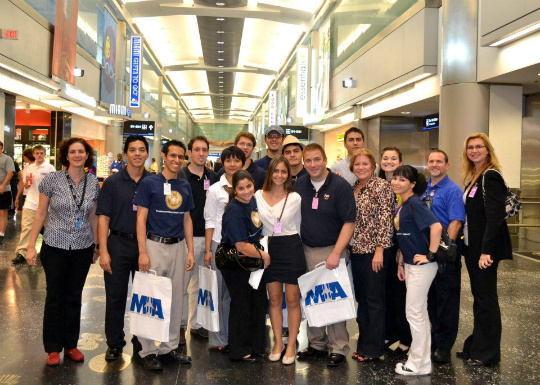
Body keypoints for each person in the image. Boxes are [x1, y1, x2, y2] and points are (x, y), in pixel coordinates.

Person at [25, 138, 101, 367]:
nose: (77, 155)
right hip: (55, 246)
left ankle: (71, 344)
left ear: (87, 155)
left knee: (74, 296)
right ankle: (52, 348)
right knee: (55, 296)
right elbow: (40, 214)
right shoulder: (52, 180)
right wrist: (31, 246)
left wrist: (96, 245)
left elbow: (94, 216)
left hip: (82, 247)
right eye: (73, 152)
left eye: (81, 151)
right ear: (65, 155)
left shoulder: (93, 182)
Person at [134, 139, 195, 371]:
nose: (177, 160)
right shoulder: (149, 183)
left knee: (176, 298)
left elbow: (187, 219)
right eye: (173, 156)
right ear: (163, 156)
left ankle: (168, 348)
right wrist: (142, 251)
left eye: (181, 157)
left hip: (178, 246)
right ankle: (148, 350)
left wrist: (189, 250)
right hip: (154, 245)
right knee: (150, 299)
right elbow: (140, 218)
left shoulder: (185, 185)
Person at [294, 143, 355, 367]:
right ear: (303, 163)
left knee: (333, 298)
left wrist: (336, 253)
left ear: (325, 159)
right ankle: (316, 344)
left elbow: (349, 223)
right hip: (306, 249)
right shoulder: (300, 185)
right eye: (308, 160)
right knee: (312, 298)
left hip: (332, 250)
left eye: (316, 159)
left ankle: (338, 347)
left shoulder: (340, 186)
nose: (312, 164)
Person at [457, 133, 512, 366]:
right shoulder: (473, 176)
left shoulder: (490, 176)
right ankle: (476, 346)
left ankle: (486, 353)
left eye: (479, 146)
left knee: (487, 299)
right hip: (473, 248)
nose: (474, 150)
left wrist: (486, 251)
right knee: (480, 298)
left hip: (484, 250)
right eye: (470, 147)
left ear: (488, 150)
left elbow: (495, 217)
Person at [96, 135, 150, 361]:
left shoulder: (154, 181)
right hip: (118, 244)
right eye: (133, 150)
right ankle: (115, 343)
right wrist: (104, 250)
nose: (137, 153)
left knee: (143, 298)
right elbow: (103, 218)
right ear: (125, 153)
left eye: (141, 150)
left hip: (145, 247)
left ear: (147, 154)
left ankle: (142, 340)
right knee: (115, 296)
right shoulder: (112, 182)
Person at [391, 165, 442, 376]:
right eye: (395, 178)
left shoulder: (415, 203)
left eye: (402, 180)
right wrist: (402, 262)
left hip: (422, 266)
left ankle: (416, 362)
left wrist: (430, 254)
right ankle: (422, 362)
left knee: (414, 313)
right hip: (411, 264)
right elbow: (407, 235)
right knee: (418, 312)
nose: (396, 182)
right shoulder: (403, 204)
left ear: (412, 184)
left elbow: (436, 227)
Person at [255, 156, 305, 365]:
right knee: (274, 300)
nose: (279, 175)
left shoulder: (295, 197)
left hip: (291, 247)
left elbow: (299, 225)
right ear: (269, 173)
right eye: (276, 171)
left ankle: (291, 344)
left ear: (289, 174)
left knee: (292, 300)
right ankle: (278, 343)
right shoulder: (257, 195)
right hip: (269, 248)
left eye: (284, 172)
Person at [219, 170, 271, 362]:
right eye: (240, 188)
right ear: (235, 190)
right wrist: (264, 255)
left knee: (256, 302)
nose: (246, 191)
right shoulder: (234, 210)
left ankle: (257, 345)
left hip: (251, 261)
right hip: (236, 264)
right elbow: (240, 245)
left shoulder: (252, 203)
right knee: (241, 304)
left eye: (248, 186)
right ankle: (239, 350)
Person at [349, 149, 394, 362]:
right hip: (356, 251)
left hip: (374, 253)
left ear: (373, 165)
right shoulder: (354, 187)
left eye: (365, 164)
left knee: (374, 301)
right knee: (363, 301)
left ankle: (374, 349)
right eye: (357, 164)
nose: (361, 167)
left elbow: (386, 219)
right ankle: (363, 344)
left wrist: (379, 250)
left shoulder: (382, 186)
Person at [422, 149, 465, 364]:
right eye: (431, 161)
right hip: (425, 254)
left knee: (446, 301)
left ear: (447, 166)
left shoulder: (452, 190)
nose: (435, 164)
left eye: (439, 161)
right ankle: (432, 340)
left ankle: (444, 346)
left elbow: (456, 222)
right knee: (430, 299)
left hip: (444, 254)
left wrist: (445, 250)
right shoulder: (423, 189)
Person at [204, 146, 246, 351]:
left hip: (240, 247)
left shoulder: (247, 187)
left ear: (242, 163)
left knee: (234, 294)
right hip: (219, 246)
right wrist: (207, 250)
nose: (232, 164)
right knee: (218, 293)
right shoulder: (214, 190)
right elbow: (210, 221)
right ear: (222, 163)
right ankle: (220, 339)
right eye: (228, 160)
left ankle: (235, 336)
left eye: (236, 160)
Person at [180, 136, 218, 341]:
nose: (201, 153)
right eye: (197, 150)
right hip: (186, 238)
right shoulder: (180, 175)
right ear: (190, 152)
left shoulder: (213, 176)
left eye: (205, 150)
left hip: (208, 237)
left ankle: (196, 324)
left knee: (200, 283)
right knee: (183, 283)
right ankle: (179, 325)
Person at [378, 146, 410, 356]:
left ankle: (406, 338)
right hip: (384, 246)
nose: (389, 161)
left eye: (393, 158)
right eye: (385, 158)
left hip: (403, 247)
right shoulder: (379, 184)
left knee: (402, 296)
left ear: (400, 161)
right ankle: (390, 332)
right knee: (387, 294)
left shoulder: (404, 187)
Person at [12, 146, 55, 265]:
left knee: (50, 228)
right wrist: (25, 185)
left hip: (47, 204)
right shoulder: (28, 168)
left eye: (42, 153)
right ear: (34, 155)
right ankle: (21, 252)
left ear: (44, 154)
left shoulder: (50, 168)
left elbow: (54, 186)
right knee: (27, 228)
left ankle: (50, 251)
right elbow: (25, 185)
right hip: (30, 202)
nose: (39, 155)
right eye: (37, 153)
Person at [0, 141, 15, 244]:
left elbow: (10, 173)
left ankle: (1, 233)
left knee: (2, 212)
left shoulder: (7, 159)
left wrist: (3, 185)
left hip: (3, 190)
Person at [14, 148, 34, 212]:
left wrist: (17, 197)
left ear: (25, 157)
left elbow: (25, 183)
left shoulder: (30, 168)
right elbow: (22, 183)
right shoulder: (27, 168)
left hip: (30, 195)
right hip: (27, 194)